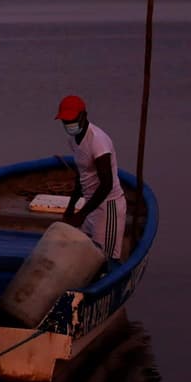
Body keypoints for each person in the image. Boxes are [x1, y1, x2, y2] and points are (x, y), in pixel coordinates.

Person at [55, 95, 127, 261]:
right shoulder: (73, 140)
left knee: (106, 258)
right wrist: (71, 206)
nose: (69, 124)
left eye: (72, 120)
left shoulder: (98, 141)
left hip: (108, 206)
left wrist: (81, 214)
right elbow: (82, 176)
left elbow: (107, 184)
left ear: (84, 116)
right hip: (90, 204)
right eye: (65, 121)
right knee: (85, 254)